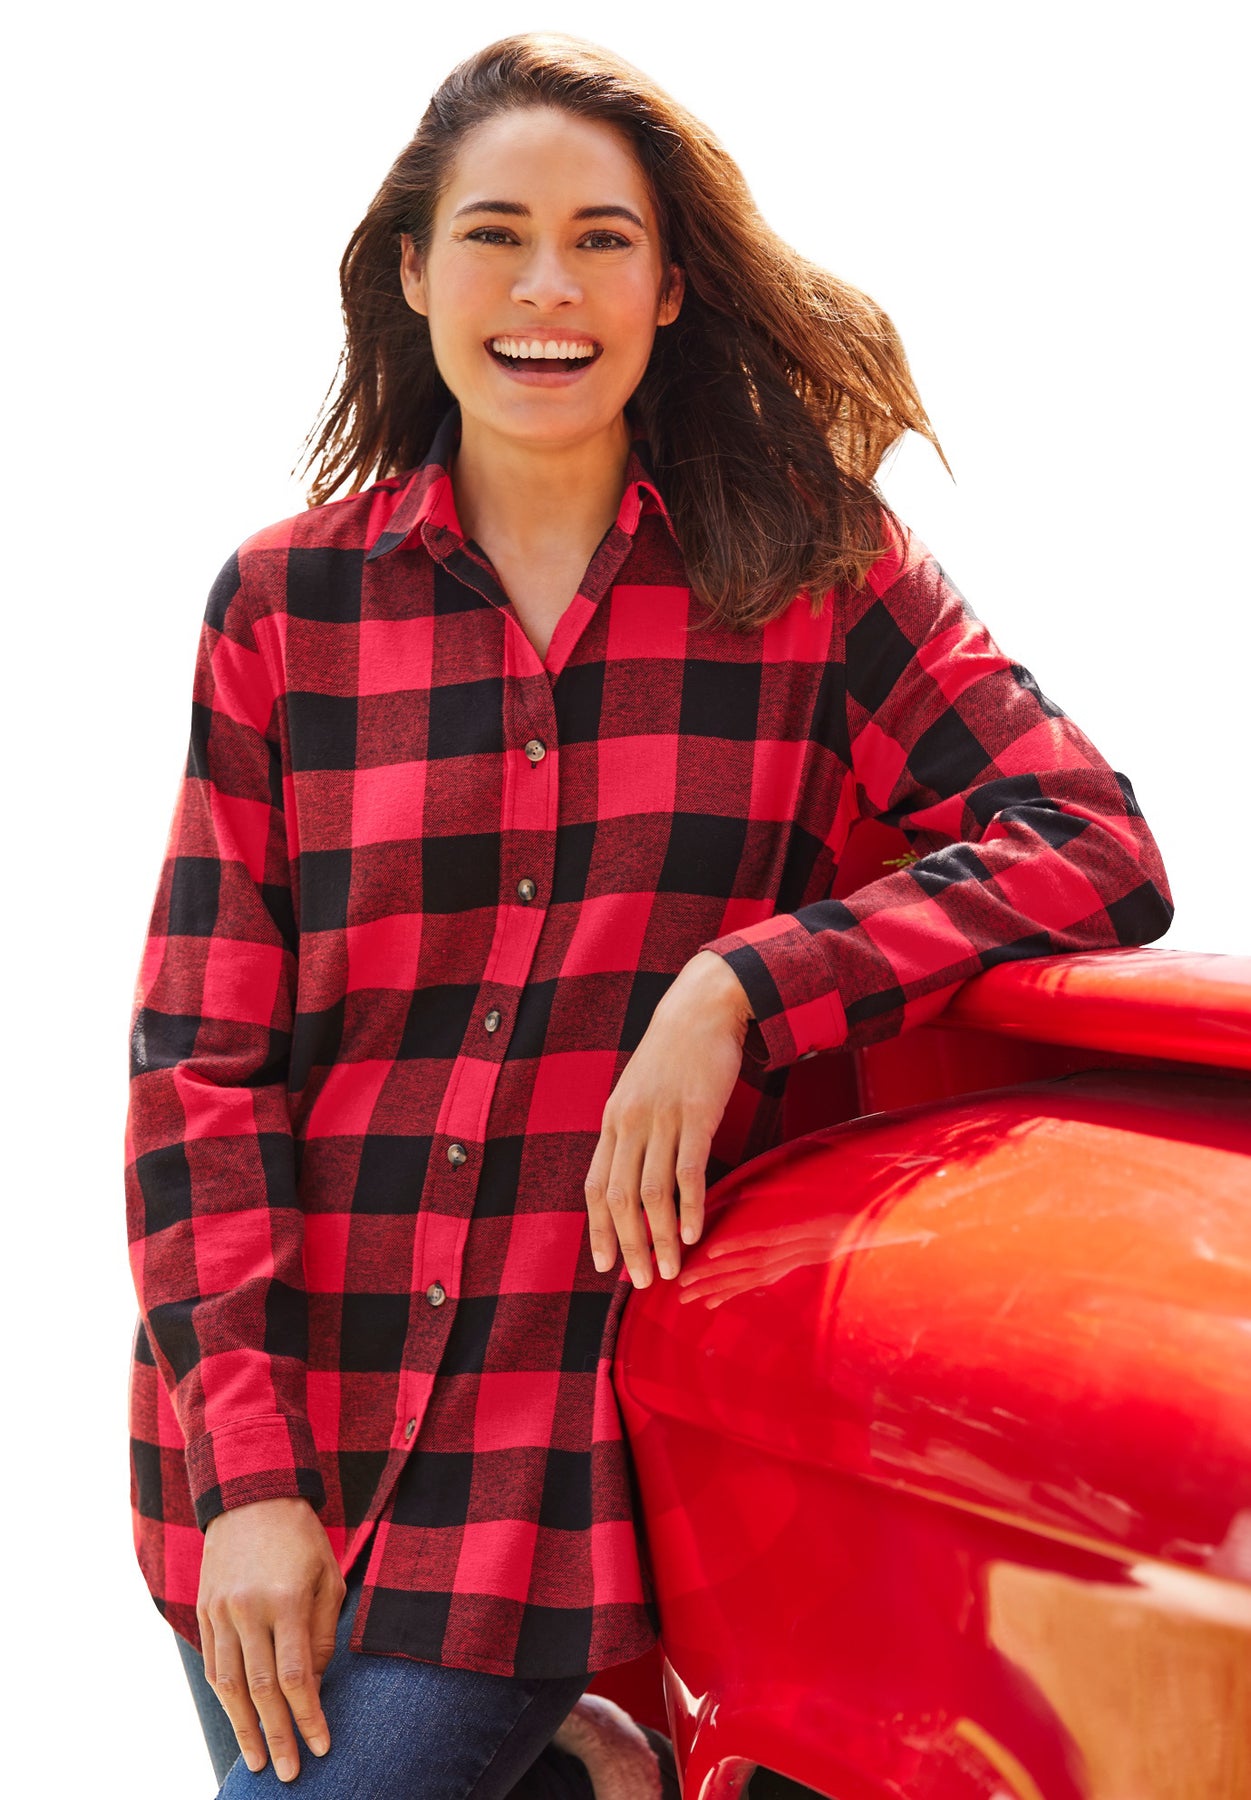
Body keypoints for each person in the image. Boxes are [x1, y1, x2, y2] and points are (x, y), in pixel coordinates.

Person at [124, 30, 1173, 1797]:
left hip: (535, 1479)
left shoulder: (815, 577)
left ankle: (556, 1750)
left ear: (671, 287)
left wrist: (745, 985)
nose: (549, 287)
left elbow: (1088, 840)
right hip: (269, 1443)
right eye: (496, 235)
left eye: (602, 239)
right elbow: (198, 1069)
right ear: (412, 272)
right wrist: (247, 1490)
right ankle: (574, 1771)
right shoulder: (286, 609)